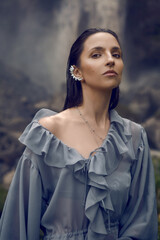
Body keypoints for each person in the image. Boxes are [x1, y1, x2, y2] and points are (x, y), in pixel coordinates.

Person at [0, 28, 158, 240]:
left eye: (116, 54)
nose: (110, 60)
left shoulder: (135, 137)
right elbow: (17, 225)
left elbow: (142, 223)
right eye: (97, 54)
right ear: (77, 71)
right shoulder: (47, 135)